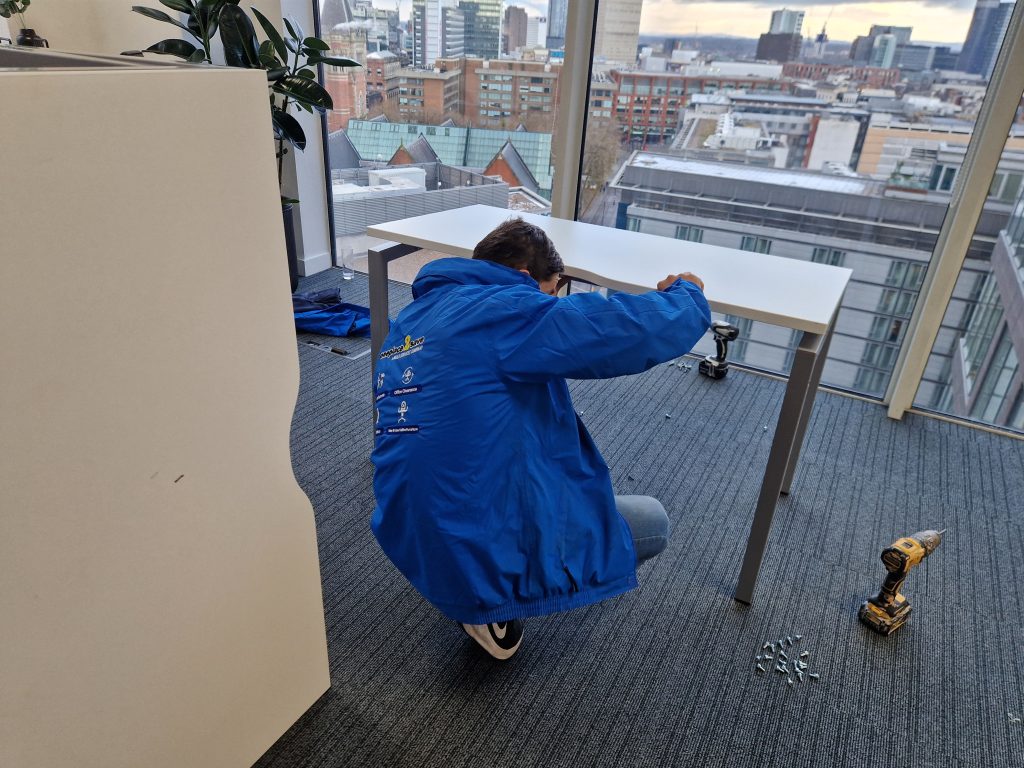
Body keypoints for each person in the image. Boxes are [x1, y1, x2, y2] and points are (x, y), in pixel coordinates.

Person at [371, 217, 710, 660]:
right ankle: (490, 602)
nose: (548, 306)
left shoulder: (413, 318)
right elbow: (621, 329)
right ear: (526, 279)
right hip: (469, 535)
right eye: (549, 296)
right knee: (651, 522)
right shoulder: (507, 309)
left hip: (402, 525)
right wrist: (688, 295)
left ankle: (465, 580)